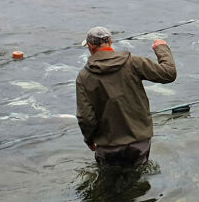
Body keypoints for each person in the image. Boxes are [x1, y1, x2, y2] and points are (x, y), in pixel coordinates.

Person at [76, 27, 177, 167]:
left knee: (108, 185)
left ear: (90, 46)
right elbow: (168, 73)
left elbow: (86, 118)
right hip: (139, 142)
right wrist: (161, 48)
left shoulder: (84, 76)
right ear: (110, 42)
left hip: (107, 146)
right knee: (138, 181)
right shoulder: (133, 62)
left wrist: (89, 140)